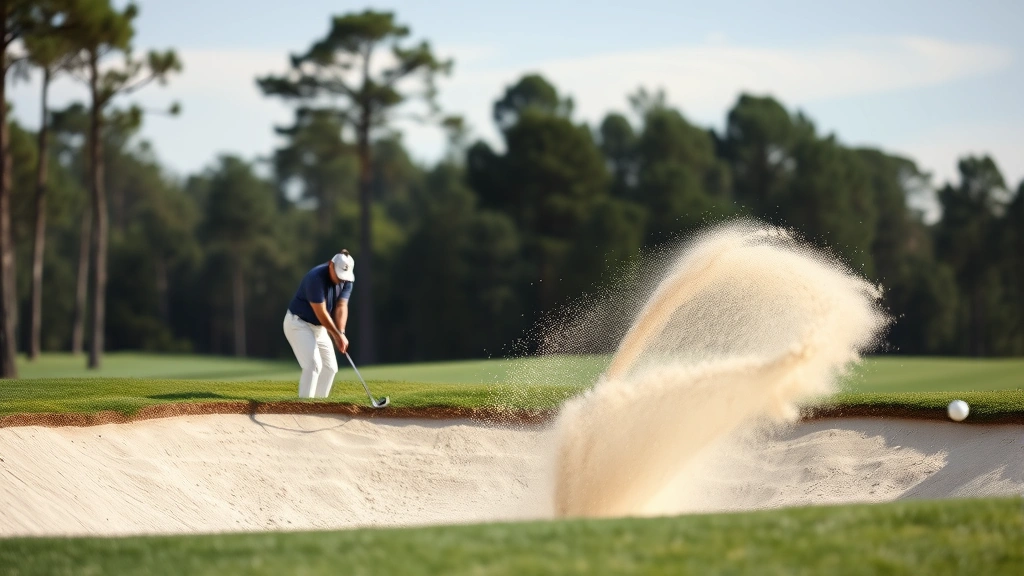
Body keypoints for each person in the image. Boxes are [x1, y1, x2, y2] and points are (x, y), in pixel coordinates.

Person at [283, 250, 355, 398]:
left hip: (319, 328)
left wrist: (341, 332)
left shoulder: (347, 280)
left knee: (330, 368)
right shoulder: (315, 278)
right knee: (313, 365)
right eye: (339, 275)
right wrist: (336, 336)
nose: (341, 280)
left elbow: (341, 306)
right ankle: (304, 410)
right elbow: (321, 313)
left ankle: (318, 409)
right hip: (298, 324)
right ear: (331, 265)